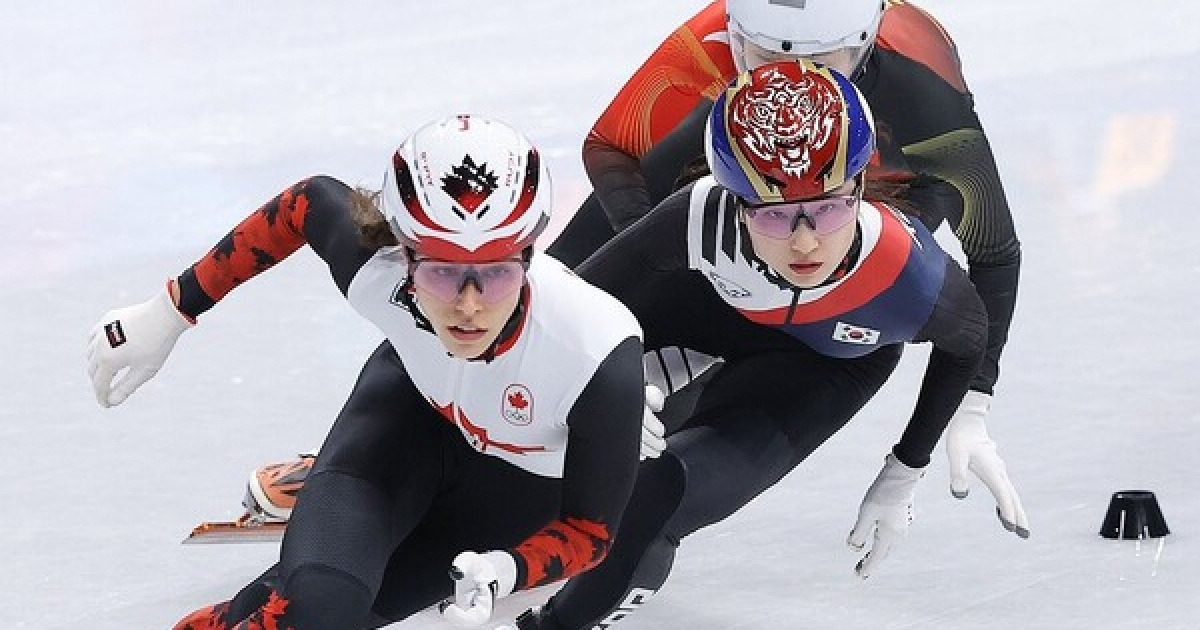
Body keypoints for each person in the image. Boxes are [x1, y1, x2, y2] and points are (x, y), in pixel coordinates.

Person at [508, 60, 1020, 630]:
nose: (804, 241)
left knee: (653, 500)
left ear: (858, 189)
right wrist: (601, 384)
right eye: (775, 216)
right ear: (735, 200)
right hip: (708, 314)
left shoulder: (910, 276)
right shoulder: (703, 217)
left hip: (820, 368)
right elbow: (573, 303)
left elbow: (967, 345)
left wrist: (905, 468)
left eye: (825, 209)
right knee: (530, 441)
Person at [86, 115, 651, 629]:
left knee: (326, 614)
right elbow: (305, 205)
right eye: (442, 275)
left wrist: (509, 568)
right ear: (402, 255)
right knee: (321, 609)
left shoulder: (595, 351)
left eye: (497, 273)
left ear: (530, 257)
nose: (470, 305)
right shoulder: (377, 269)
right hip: (407, 423)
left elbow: (590, 530)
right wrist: (168, 311)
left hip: (515, 486)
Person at [546, 0, 1025, 525]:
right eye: (763, 57)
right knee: (557, 290)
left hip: (884, 188)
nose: (791, 82)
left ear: (864, 47)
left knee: (829, 269)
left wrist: (973, 401)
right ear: (734, 37)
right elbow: (613, 146)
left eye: (823, 61)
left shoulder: (924, 97)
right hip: (747, 174)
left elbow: (993, 248)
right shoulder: (707, 42)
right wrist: (664, 264)